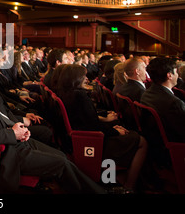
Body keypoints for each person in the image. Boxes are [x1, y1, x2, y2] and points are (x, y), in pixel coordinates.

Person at [0, 56, 106, 194]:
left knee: (60, 155)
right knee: (61, 163)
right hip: (7, 152)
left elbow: (4, 115)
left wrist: (19, 127)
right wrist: (13, 134)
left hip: (16, 141)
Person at [56, 64, 148, 193]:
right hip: (92, 142)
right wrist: (115, 130)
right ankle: (129, 186)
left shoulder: (65, 93)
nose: (86, 79)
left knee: (126, 134)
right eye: (83, 76)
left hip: (80, 140)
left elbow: (87, 121)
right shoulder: (80, 96)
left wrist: (110, 126)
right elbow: (92, 126)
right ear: (75, 79)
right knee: (142, 141)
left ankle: (117, 180)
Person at [141, 57, 185, 143]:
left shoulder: (147, 93)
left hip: (155, 141)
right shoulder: (174, 103)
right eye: (176, 72)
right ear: (169, 75)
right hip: (174, 144)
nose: (177, 75)